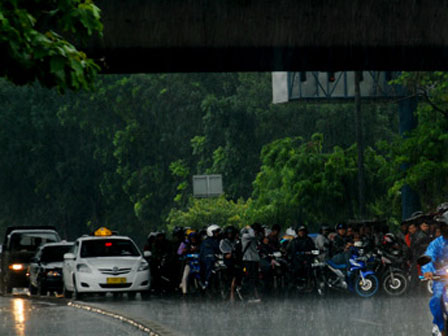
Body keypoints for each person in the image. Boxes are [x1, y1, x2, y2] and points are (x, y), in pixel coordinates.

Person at [422, 211, 448, 336]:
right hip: (441, 278)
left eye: (446, 226)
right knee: (436, 299)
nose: (444, 229)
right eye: (442, 226)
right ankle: (441, 327)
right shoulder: (436, 243)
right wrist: (427, 270)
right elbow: (428, 256)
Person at [286, 226, 316, 290]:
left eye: (303, 231)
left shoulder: (309, 240)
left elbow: (314, 249)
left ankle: (311, 284)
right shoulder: (294, 241)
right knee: (297, 269)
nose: (302, 232)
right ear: (297, 232)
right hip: (297, 260)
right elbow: (291, 251)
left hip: (308, 259)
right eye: (300, 231)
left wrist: (315, 252)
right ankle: (297, 283)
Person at [240, 223, 263, 302]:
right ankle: (248, 296)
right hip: (248, 260)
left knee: (254, 278)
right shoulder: (246, 236)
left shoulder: (255, 237)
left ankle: (253, 295)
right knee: (249, 278)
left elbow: (259, 236)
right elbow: (252, 235)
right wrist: (249, 228)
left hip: (254, 260)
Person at [199, 224, 221, 289]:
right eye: (215, 232)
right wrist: (211, 255)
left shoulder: (219, 240)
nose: (217, 233)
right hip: (207, 260)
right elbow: (207, 253)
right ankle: (206, 281)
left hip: (217, 260)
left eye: (217, 232)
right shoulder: (206, 242)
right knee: (209, 265)